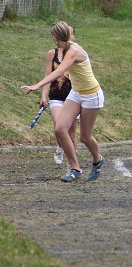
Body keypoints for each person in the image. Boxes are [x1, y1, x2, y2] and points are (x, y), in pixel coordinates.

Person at [21, 21, 105, 182]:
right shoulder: (63, 48)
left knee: (85, 137)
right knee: (60, 128)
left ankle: (98, 159)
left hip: (91, 95)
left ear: (55, 37)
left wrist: (37, 85)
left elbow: (59, 71)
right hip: (76, 93)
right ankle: (75, 168)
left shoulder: (73, 51)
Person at [39, 24, 78, 171]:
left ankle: (72, 166)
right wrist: (43, 96)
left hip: (73, 98)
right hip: (56, 96)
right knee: (59, 126)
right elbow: (48, 77)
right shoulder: (52, 54)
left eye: (72, 34)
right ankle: (62, 145)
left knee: (71, 133)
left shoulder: (76, 53)